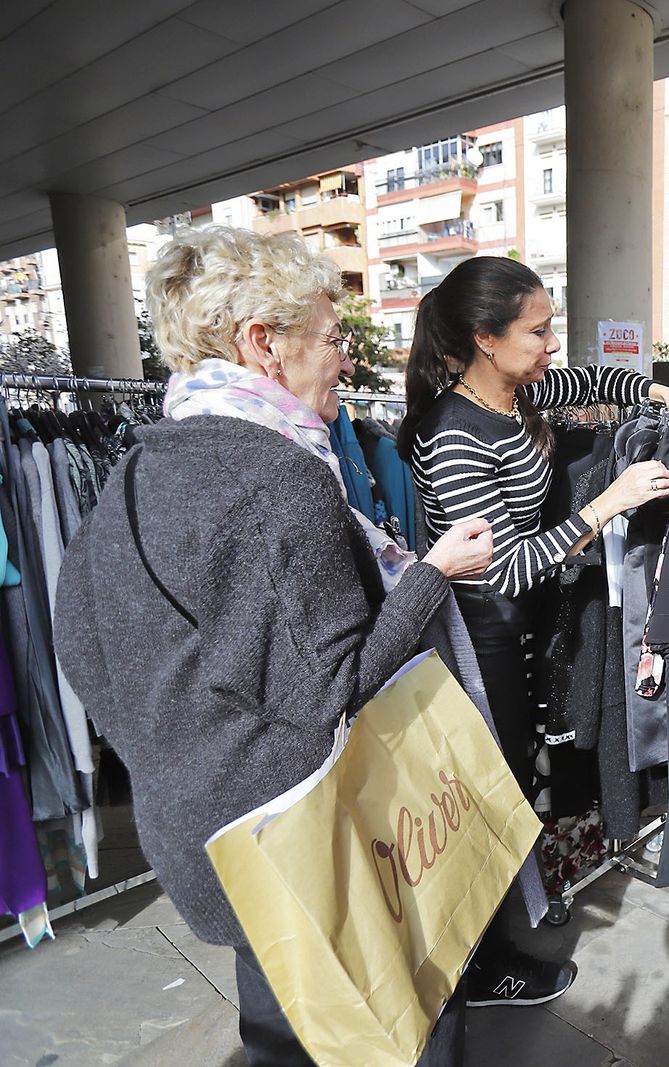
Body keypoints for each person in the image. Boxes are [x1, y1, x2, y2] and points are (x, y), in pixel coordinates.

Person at [53, 228, 492, 1066]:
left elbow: (80, 640)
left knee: (285, 1032)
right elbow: (340, 687)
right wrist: (434, 572)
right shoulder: (280, 477)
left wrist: (184, 745)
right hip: (313, 845)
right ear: (264, 343)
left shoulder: (140, 465)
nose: (346, 358)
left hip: (207, 839)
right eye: (333, 337)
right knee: (406, 1023)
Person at [398, 256, 669, 1007]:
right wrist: (610, 501)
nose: (549, 345)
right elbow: (503, 567)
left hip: (521, 632)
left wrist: (660, 389)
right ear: (485, 337)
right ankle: (476, 968)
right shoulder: (452, 433)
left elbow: (597, 380)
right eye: (536, 331)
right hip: (479, 639)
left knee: (507, 788)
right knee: (485, 798)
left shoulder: (515, 393)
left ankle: (488, 944)